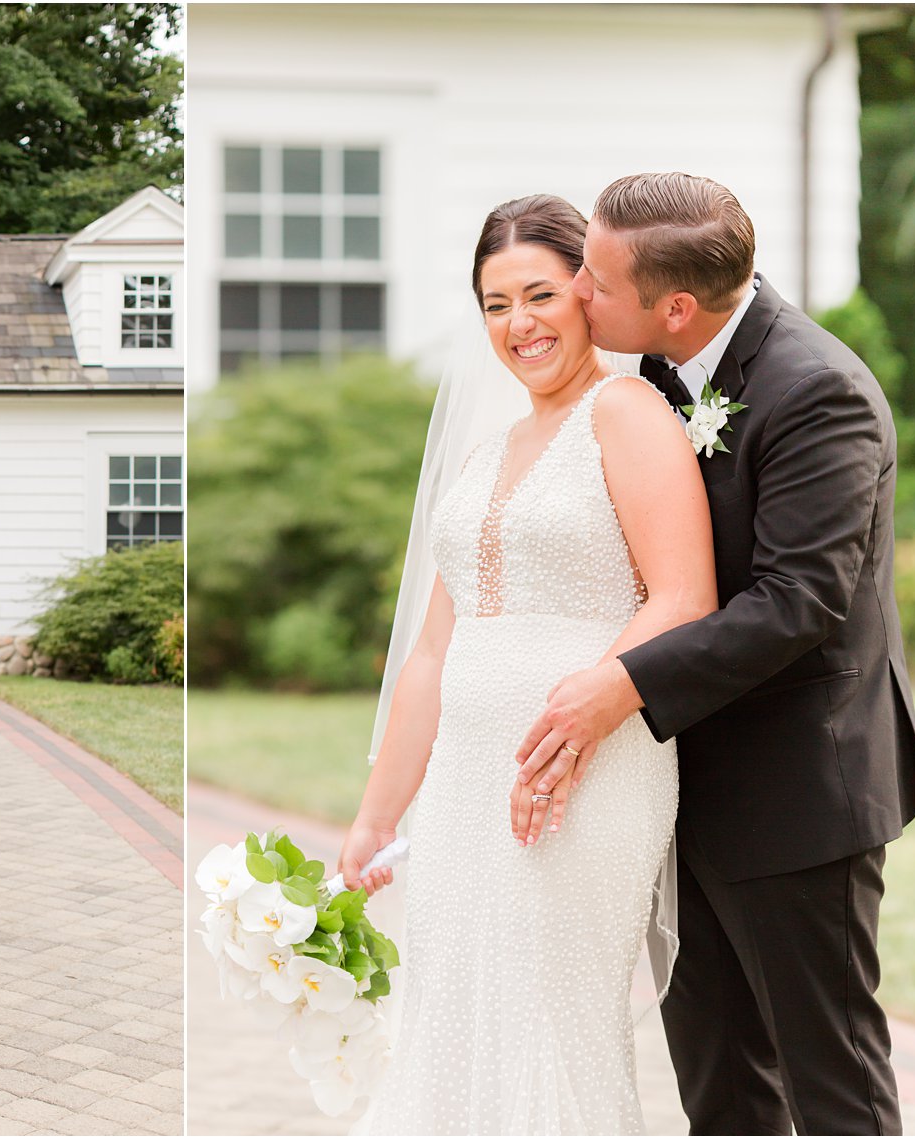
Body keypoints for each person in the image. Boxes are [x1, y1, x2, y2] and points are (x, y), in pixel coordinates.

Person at [512, 172, 915, 1135]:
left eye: (595, 281)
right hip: (675, 788)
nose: (577, 293)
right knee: (720, 1085)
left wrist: (617, 686)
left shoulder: (818, 391)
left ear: (675, 305)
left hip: (798, 793)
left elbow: (799, 604)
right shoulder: (653, 375)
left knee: (831, 1079)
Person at [339, 194, 717, 1134]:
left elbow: (683, 599)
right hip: (467, 784)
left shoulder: (625, 413)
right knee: (454, 1014)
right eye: (495, 304)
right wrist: (375, 815)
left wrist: (578, 718)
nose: (519, 325)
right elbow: (433, 650)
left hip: (591, 765)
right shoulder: (483, 453)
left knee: (549, 1017)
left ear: (586, 292)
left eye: (539, 294)